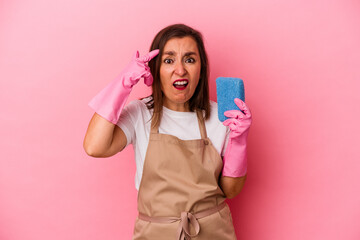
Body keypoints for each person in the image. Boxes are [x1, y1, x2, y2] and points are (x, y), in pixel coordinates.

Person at [83, 23, 252, 240]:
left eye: (190, 59)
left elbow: (231, 190)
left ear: (201, 70)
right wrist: (123, 82)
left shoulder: (223, 117)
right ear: (155, 69)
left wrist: (239, 141)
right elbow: (94, 146)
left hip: (213, 232)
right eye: (168, 60)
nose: (180, 70)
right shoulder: (141, 113)